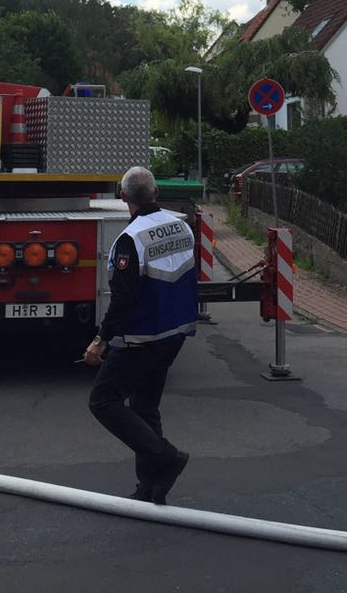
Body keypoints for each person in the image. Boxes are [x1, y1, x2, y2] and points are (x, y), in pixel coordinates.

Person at [81, 166, 198, 505]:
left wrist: (101, 340)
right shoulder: (183, 228)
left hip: (141, 338)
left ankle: (166, 457)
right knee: (145, 408)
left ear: (122, 198)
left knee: (103, 401)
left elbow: (124, 299)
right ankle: (150, 488)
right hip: (175, 333)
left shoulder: (129, 240)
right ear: (157, 193)